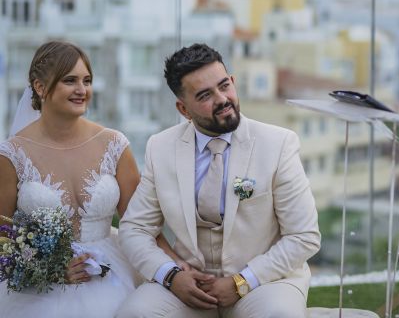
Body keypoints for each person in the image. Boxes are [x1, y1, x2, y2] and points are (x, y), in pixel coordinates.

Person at [116, 43, 321, 318]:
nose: (222, 99)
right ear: (183, 109)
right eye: (205, 95)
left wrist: (242, 281)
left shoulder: (278, 144)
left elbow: (304, 235)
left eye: (224, 86)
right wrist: (171, 276)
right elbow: (134, 228)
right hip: (190, 285)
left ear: (233, 82)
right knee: (135, 314)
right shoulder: (161, 147)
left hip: (266, 282)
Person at [0, 41, 177, 317]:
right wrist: (48, 269)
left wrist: (176, 267)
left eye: (87, 80)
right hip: (39, 288)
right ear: (40, 87)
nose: (82, 90)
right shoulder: (12, 154)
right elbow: (2, 235)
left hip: (114, 270)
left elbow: (141, 222)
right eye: (70, 81)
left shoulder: (114, 145)